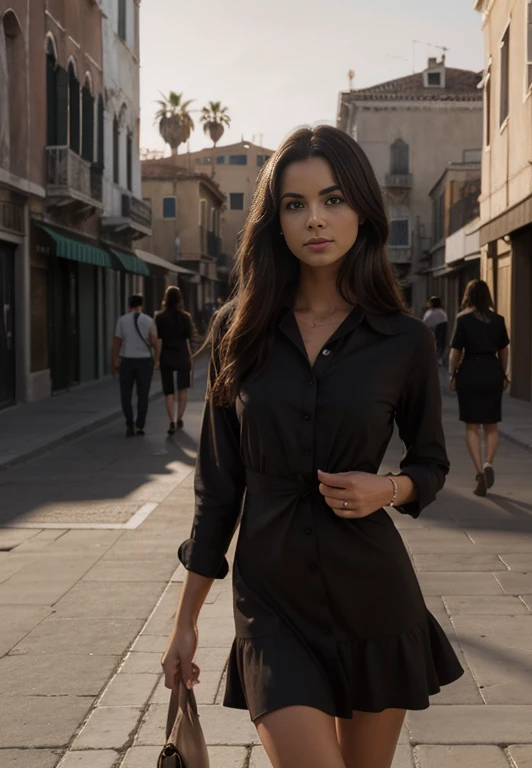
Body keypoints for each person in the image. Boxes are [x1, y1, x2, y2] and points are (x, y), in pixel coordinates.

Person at [161, 125, 463, 768]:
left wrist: (390, 488)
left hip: (374, 598)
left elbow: (430, 463)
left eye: (333, 199)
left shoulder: (404, 341)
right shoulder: (237, 333)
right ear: (275, 222)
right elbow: (217, 493)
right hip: (270, 602)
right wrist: (185, 621)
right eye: (295, 205)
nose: (315, 220)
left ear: (362, 210)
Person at [448, 279, 510, 497]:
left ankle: (478, 473)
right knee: (491, 425)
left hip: (470, 371)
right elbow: (504, 350)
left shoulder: (463, 319)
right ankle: (488, 463)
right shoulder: (498, 319)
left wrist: (452, 373)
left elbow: (456, 351)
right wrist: (503, 374)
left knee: (472, 426)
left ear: (468, 295)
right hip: (492, 370)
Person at [111, 294, 159, 438]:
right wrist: (157, 360)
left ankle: (129, 423)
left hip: (127, 361)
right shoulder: (149, 320)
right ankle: (140, 425)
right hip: (144, 361)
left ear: (129, 305)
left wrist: (113, 363)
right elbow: (156, 343)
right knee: (143, 395)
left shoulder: (122, 320)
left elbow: (116, 344)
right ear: (141, 305)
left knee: (125, 394)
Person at [153, 285, 195, 435]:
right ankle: (178, 419)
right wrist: (192, 358)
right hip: (182, 355)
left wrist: (156, 360)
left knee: (169, 391)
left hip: (166, 356)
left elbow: (158, 341)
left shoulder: (159, 317)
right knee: (182, 389)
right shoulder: (186, 317)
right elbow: (190, 339)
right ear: (180, 299)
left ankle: (171, 421)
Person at [423, 296, 448, 366]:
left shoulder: (431, 312)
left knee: (437, 343)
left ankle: (436, 358)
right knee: (439, 343)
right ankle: (438, 358)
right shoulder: (441, 312)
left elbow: (425, 321)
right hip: (437, 328)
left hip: (433, 328)